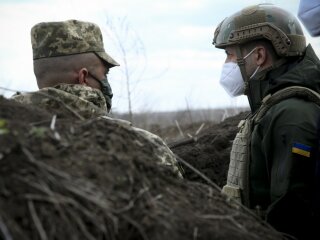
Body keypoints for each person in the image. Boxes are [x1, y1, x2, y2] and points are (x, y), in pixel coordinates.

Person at [11, 19, 183, 178]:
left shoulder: (9, 132)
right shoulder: (142, 146)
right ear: (83, 78)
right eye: (105, 74)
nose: (106, 83)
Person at [213, 4, 320, 239]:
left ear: (259, 56)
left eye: (230, 55)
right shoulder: (272, 107)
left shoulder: (292, 115)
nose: (227, 64)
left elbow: (290, 216)